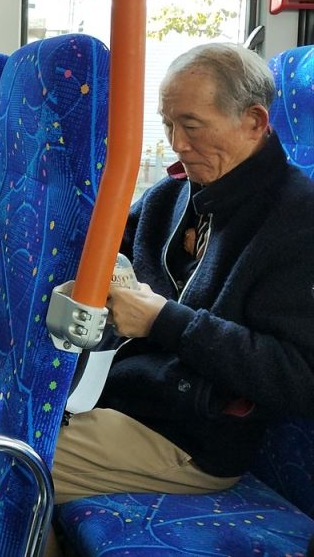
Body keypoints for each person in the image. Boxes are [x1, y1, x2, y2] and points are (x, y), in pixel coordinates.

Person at [48, 44, 314, 550]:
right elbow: (107, 253)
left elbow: (299, 375)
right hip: (122, 399)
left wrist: (163, 321)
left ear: (254, 122)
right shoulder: (171, 195)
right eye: (167, 124)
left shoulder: (297, 221)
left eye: (191, 126)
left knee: (8, 465)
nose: (177, 144)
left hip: (189, 435)